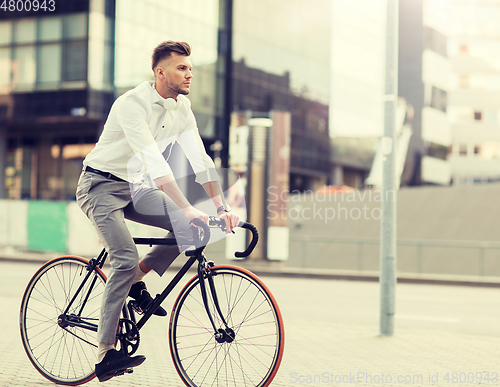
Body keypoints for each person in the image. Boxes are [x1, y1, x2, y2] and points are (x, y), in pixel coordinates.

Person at [76, 40, 239, 383]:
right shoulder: (131, 104)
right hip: (100, 185)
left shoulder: (183, 108)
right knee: (122, 256)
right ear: (160, 72)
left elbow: (201, 161)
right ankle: (105, 353)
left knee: (194, 227)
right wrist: (187, 206)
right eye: (182, 68)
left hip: (135, 188)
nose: (189, 74)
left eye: (191, 68)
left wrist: (222, 208)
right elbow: (153, 162)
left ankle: (137, 278)